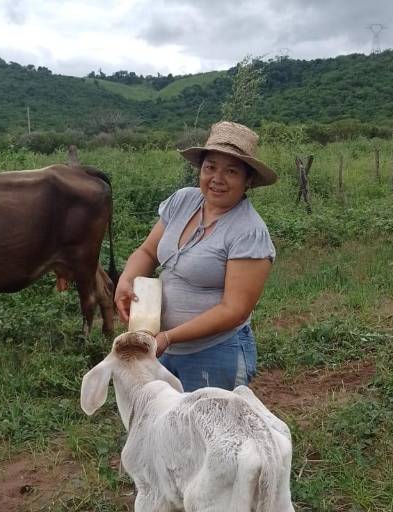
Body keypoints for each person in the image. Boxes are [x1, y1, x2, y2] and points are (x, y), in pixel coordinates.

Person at [114, 121, 278, 392]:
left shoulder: (249, 231)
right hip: (164, 349)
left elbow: (234, 310)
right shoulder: (183, 201)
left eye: (231, 171)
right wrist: (126, 279)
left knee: (210, 432)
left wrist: (169, 336)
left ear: (248, 180)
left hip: (214, 354)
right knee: (166, 427)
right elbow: (146, 252)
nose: (217, 178)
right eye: (210, 167)